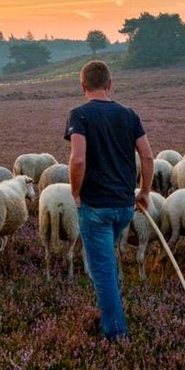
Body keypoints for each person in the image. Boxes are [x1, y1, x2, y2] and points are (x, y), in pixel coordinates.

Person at [64, 60, 154, 340]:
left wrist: (76, 192)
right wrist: (145, 192)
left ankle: (116, 334)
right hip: (124, 207)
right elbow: (148, 156)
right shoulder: (129, 115)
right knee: (104, 263)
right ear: (110, 84)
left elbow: (78, 158)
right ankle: (109, 309)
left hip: (95, 208)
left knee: (101, 272)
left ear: (82, 86)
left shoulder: (79, 115)